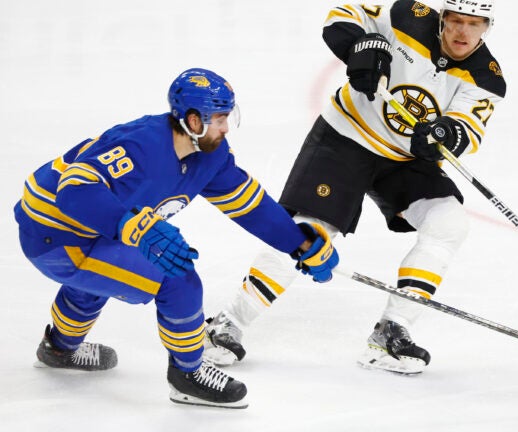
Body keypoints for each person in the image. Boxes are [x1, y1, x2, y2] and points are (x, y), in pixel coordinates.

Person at [205, 0, 505, 375]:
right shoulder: (405, 15)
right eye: (456, 21)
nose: (463, 32)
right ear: (442, 17)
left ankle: (391, 333)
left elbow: (467, 128)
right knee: (308, 231)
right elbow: (343, 14)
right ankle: (226, 324)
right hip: (345, 138)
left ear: (488, 27)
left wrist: (446, 132)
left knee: (449, 224)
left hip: (404, 159)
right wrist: (359, 47)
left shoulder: (486, 78)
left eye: (474, 24)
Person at [14, 68, 339, 408]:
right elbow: (74, 191)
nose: (226, 127)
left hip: (89, 231)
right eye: (219, 118)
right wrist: (132, 227)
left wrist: (297, 242)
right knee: (177, 277)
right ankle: (188, 375)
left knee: (97, 279)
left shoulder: (209, 154)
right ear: (193, 120)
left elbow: (249, 204)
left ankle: (59, 349)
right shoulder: (140, 146)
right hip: (53, 235)